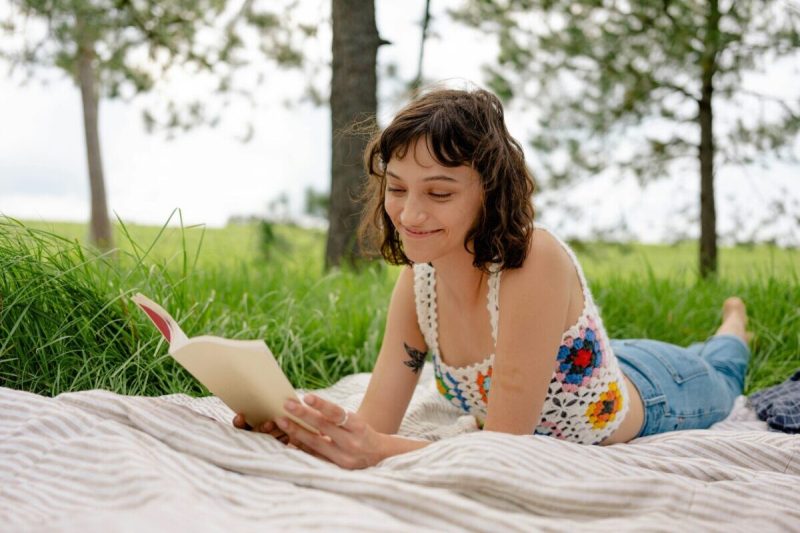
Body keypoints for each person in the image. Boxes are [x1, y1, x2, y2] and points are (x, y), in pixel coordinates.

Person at [233, 86, 752, 469]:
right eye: (396, 188)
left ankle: (735, 324)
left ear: (491, 192)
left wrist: (377, 452)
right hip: (600, 358)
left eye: (438, 193)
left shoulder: (534, 259)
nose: (410, 214)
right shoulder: (419, 283)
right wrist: (300, 428)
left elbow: (504, 447)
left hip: (661, 391)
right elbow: (373, 426)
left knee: (724, 367)